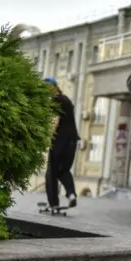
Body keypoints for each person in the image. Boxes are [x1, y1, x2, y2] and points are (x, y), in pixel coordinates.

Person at [44, 77, 80, 209]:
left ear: (54, 87)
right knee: (63, 170)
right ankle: (71, 195)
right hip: (72, 141)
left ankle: (53, 202)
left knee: (51, 171)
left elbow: (55, 121)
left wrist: (48, 137)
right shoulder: (66, 100)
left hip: (59, 141)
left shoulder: (55, 101)